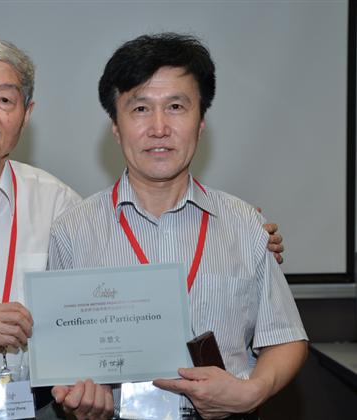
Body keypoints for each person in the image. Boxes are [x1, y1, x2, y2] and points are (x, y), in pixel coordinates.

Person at [0, 35, 285, 420]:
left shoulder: (61, 206)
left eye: (5, 99)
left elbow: (122, 270)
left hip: (42, 412)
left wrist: (246, 233)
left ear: (26, 113)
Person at [47, 33, 307, 420]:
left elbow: (286, 339)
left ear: (200, 123)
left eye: (175, 107)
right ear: (116, 126)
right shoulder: (72, 231)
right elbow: (64, 359)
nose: (159, 127)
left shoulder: (245, 224)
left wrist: (252, 392)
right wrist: (80, 398)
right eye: (140, 109)